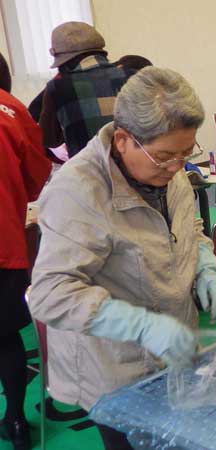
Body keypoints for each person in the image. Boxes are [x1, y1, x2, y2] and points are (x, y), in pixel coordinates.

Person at [28, 67, 216, 450]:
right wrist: (141, 326)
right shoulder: (78, 191)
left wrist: (205, 265)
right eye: (166, 157)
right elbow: (50, 293)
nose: (176, 168)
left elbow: (191, 228)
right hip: (116, 369)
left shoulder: (169, 170)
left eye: (185, 153)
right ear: (123, 140)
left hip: (174, 352)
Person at [0, 52, 52, 450]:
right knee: (6, 338)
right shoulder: (14, 113)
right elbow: (37, 181)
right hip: (4, 245)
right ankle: (16, 420)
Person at [38, 22, 133, 158]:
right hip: (137, 171)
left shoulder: (57, 88)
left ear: (65, 62)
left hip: (88, 173)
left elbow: (48, 139)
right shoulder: (134, 77)